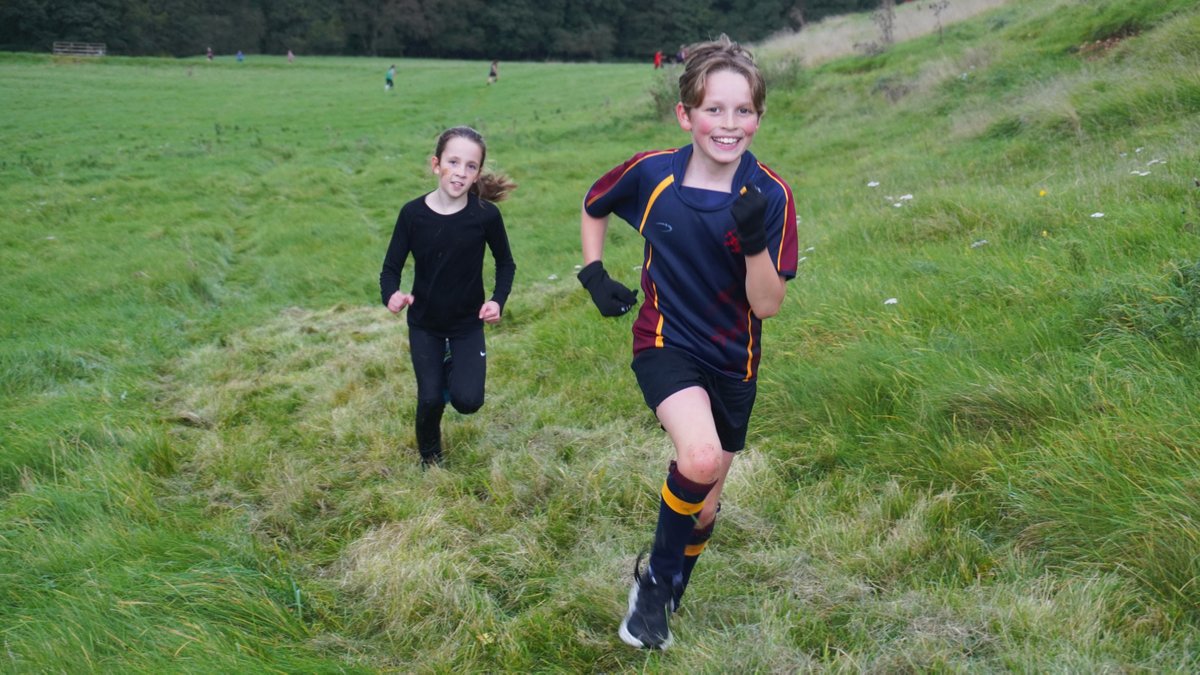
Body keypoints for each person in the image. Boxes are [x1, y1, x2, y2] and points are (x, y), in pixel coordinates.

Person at [576, 34, 798, 650]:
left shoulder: (770, 194)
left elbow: (767, 305)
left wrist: (754, 241)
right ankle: (654, 589)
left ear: (758, 115)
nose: (729, 125)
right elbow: (595, 203)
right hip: (665, 343)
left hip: (735, 362)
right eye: (714, 110)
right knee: (697, 459)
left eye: (743, 111)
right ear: (686, 114)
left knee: (703, 508)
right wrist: (592, 272)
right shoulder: (652, 175)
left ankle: (669, 585)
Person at [379, 126, 517, 467]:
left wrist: (497, 300)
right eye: (453, 162)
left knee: (468, 401)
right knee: (429, 399)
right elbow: (390, 268)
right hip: (425, 323)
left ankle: (451, 365)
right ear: (436, 164)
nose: (461, 172)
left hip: (466, 324)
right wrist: (391, 295)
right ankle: (431, 461)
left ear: (478, 173)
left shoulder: (485, 216)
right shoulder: (412, 214)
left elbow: (506, 263)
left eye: (471, 166)